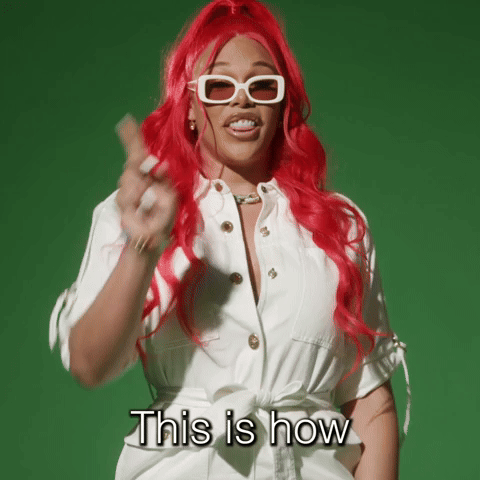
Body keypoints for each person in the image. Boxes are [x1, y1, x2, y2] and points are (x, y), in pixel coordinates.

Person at [49, 1, 410, 478]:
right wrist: (144, 248)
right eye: (219, 86)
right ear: (190, 107)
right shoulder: (139, 212)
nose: (242, 101)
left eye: (262, 85)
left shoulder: (340, 228)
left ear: (281, 104)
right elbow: (88, 364)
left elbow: (369, 401)